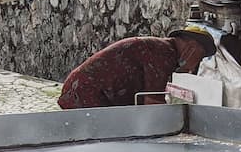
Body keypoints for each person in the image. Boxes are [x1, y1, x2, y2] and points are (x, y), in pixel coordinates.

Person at [58, 29, 216, 109]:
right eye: (200, 58)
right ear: (192, 49)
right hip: (87, 91)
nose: (195, 65)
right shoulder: (164, 54)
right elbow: (153, 103)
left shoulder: (162, 49)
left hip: (83, 87)